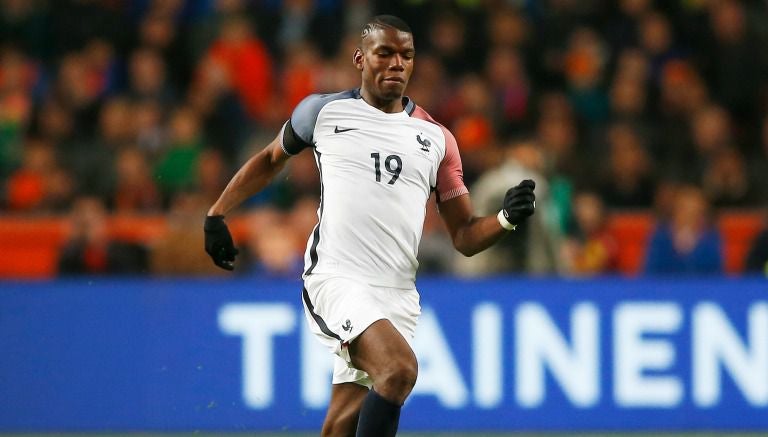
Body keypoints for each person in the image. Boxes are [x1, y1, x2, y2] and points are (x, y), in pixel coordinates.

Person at [203, 15, 535, 437]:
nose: (397, 63)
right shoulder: (322, 112)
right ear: (361, 59)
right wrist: (217, 213)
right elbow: (270, 160)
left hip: (397, 294)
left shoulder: (437, 139)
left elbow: (464, 235)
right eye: (386, 53)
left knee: (343, 421)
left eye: (407, 55)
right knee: (398, 371)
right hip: (336, 279)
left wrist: (505, 219)